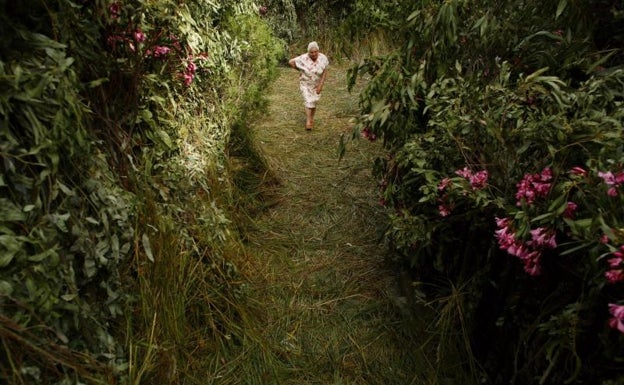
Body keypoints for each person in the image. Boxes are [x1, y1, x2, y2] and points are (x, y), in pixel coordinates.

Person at [288, 41, 329, 130]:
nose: (314, 54)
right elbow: (291, 62)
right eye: (311, 52)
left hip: (316, 84)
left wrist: (321, 85)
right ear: (308, 52)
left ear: (318, 51)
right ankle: (308, 121)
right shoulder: (303, 58)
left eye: (315, 52)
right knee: (308, 100)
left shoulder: (323, 58)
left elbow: (325, 71)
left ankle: (311, 119)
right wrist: (301, 69)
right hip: (305, 83)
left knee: (313, 101)